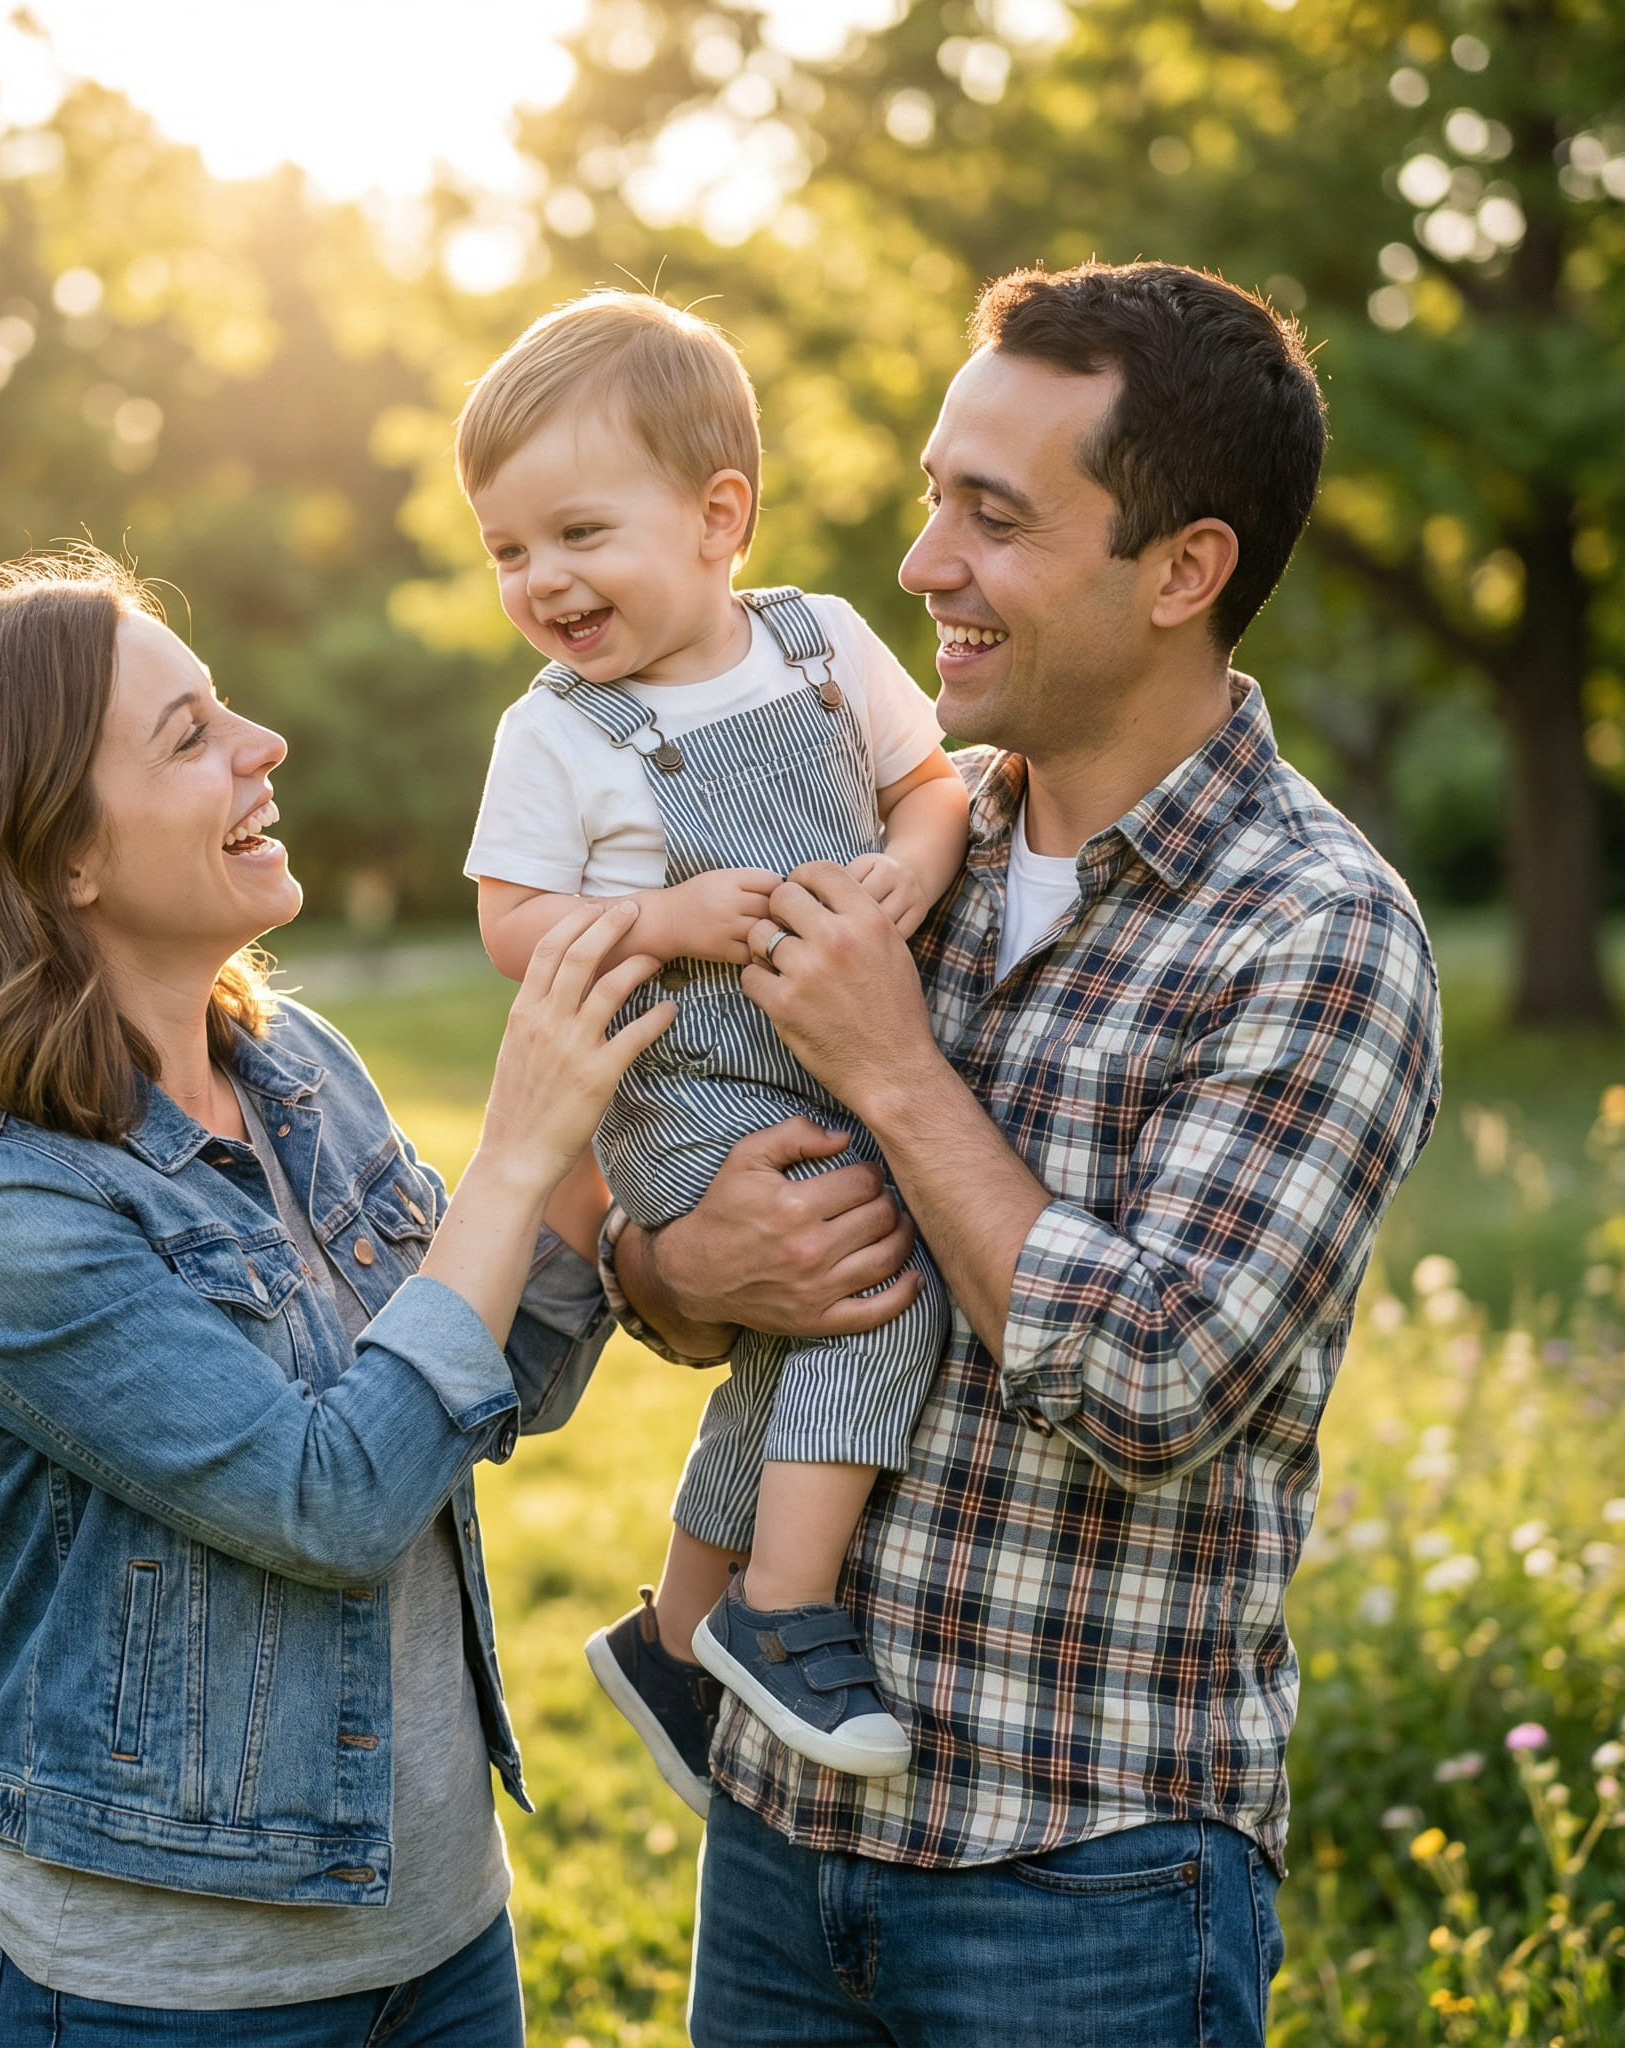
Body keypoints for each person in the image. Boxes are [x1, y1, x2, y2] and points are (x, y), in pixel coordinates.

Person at [610, 263, 1444, 2045]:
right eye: (932, 497)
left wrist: (896, 1073)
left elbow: (1153, 1379)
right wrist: (672, 1268)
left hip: (1085, 1879)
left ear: (1181, 572)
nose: (922, 563)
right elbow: (691, 1262)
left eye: (992, 517)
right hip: (779, 1839)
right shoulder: (885, 842)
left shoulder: (1316, 933)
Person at [0, 551, 673, 2043]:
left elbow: (489, 1370)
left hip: (450, 1932)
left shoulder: (295, 1064)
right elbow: (334, 1500)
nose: (263, 745)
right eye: (189, 735)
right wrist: (517, 1147)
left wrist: (601, 1172)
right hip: (183, 1999)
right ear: (58, 854)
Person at [459, 292, 970, 1804]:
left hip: (828, 1050)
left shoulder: (823, 646)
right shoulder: (558, 732)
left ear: (716, 515)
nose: (541, 579)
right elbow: (507, 924)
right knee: (874, 1290)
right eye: (507, 550)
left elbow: (929, 782)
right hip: (684, 1079)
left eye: (578, 533)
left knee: (792, 1337)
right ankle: (783, 1612)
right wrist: (664, 919)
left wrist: (914, 868)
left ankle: (677, 1633)